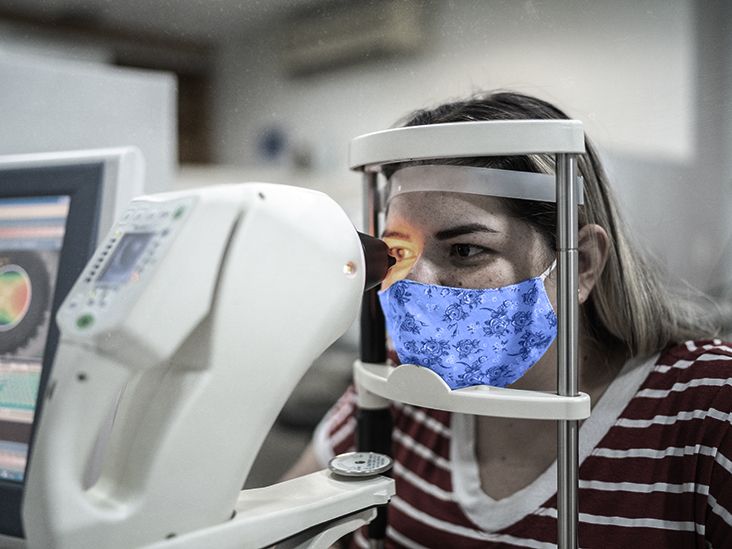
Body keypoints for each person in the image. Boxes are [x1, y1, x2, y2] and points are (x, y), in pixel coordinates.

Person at [285, 91, 732, 547]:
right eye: (398, 253)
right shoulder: (398, 384)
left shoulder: (710, 410)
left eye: (464, 250)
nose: (413, 285)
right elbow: (287, 524)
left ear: (582, 265)